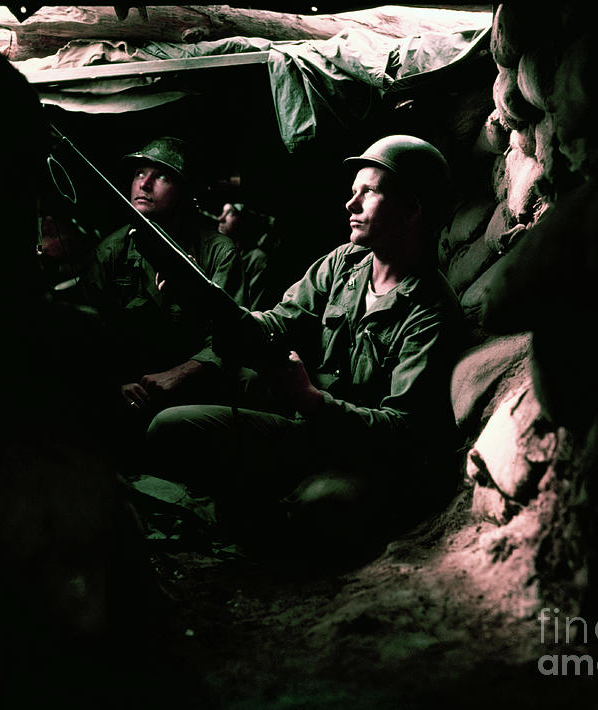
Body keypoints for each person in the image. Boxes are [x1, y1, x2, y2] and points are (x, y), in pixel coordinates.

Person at [145, 135, 467, 559]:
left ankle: (269, 513)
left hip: (365, 460)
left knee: (321, 508)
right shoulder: (343, 263)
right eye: (353, 192)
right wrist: (208, 304)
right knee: (169, 429)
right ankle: (263, 506)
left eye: (367, 192)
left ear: (412, 208)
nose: (350, 205)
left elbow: (401, 432)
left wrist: (311, 400)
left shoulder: (430, 310)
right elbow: (277, 324)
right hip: (307, 432)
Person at [83, 137, 246, 417]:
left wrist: (180, 374)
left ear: (184, 191)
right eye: (139, 173)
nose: (144, 185)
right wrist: (116, 382)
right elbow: (91, 335)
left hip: (199, 390)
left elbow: (232, 337)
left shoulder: (219, 252)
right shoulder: (110, 252)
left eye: (161, 176)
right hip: (130, 394)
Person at [218, 202, 277, 310]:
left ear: (245, 219)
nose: (221, 218)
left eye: (230, 213)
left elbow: (254, 308)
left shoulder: (258, 259)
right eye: (223, 212)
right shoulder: (221, 252)